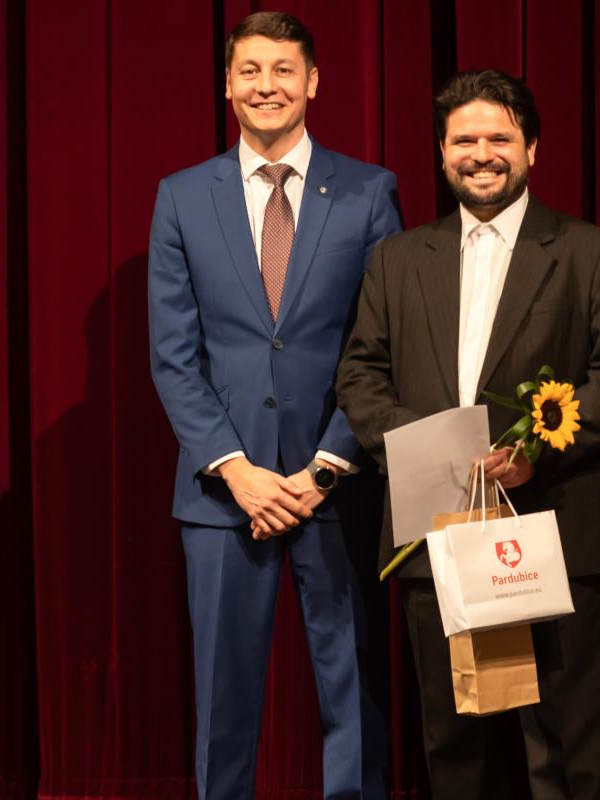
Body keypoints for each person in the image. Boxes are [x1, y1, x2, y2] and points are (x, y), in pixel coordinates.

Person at [337, 69, 600, 800]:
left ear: (533, 148)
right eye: (464, 140)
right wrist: (426, 451)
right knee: (455, 746)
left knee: (570, 745)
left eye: (499, 138)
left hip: (555, 528)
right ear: (442, 153)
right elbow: (360, 374)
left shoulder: (589, 251)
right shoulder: (397, 259)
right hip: (436, 533)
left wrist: (533, 452)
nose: (481, 153)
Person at [148, 11, 401, 800]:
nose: (266, 86)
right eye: (250, 70)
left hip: (339, 485)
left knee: (353, 692)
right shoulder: (183, 197)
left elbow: (382, 343)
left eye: (283, 70)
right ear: (227, 85)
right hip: (226, 497)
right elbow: (173, 356)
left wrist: (325, 467)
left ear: (313, 82)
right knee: (222, 701)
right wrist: (237, 471)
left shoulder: (368, 191)